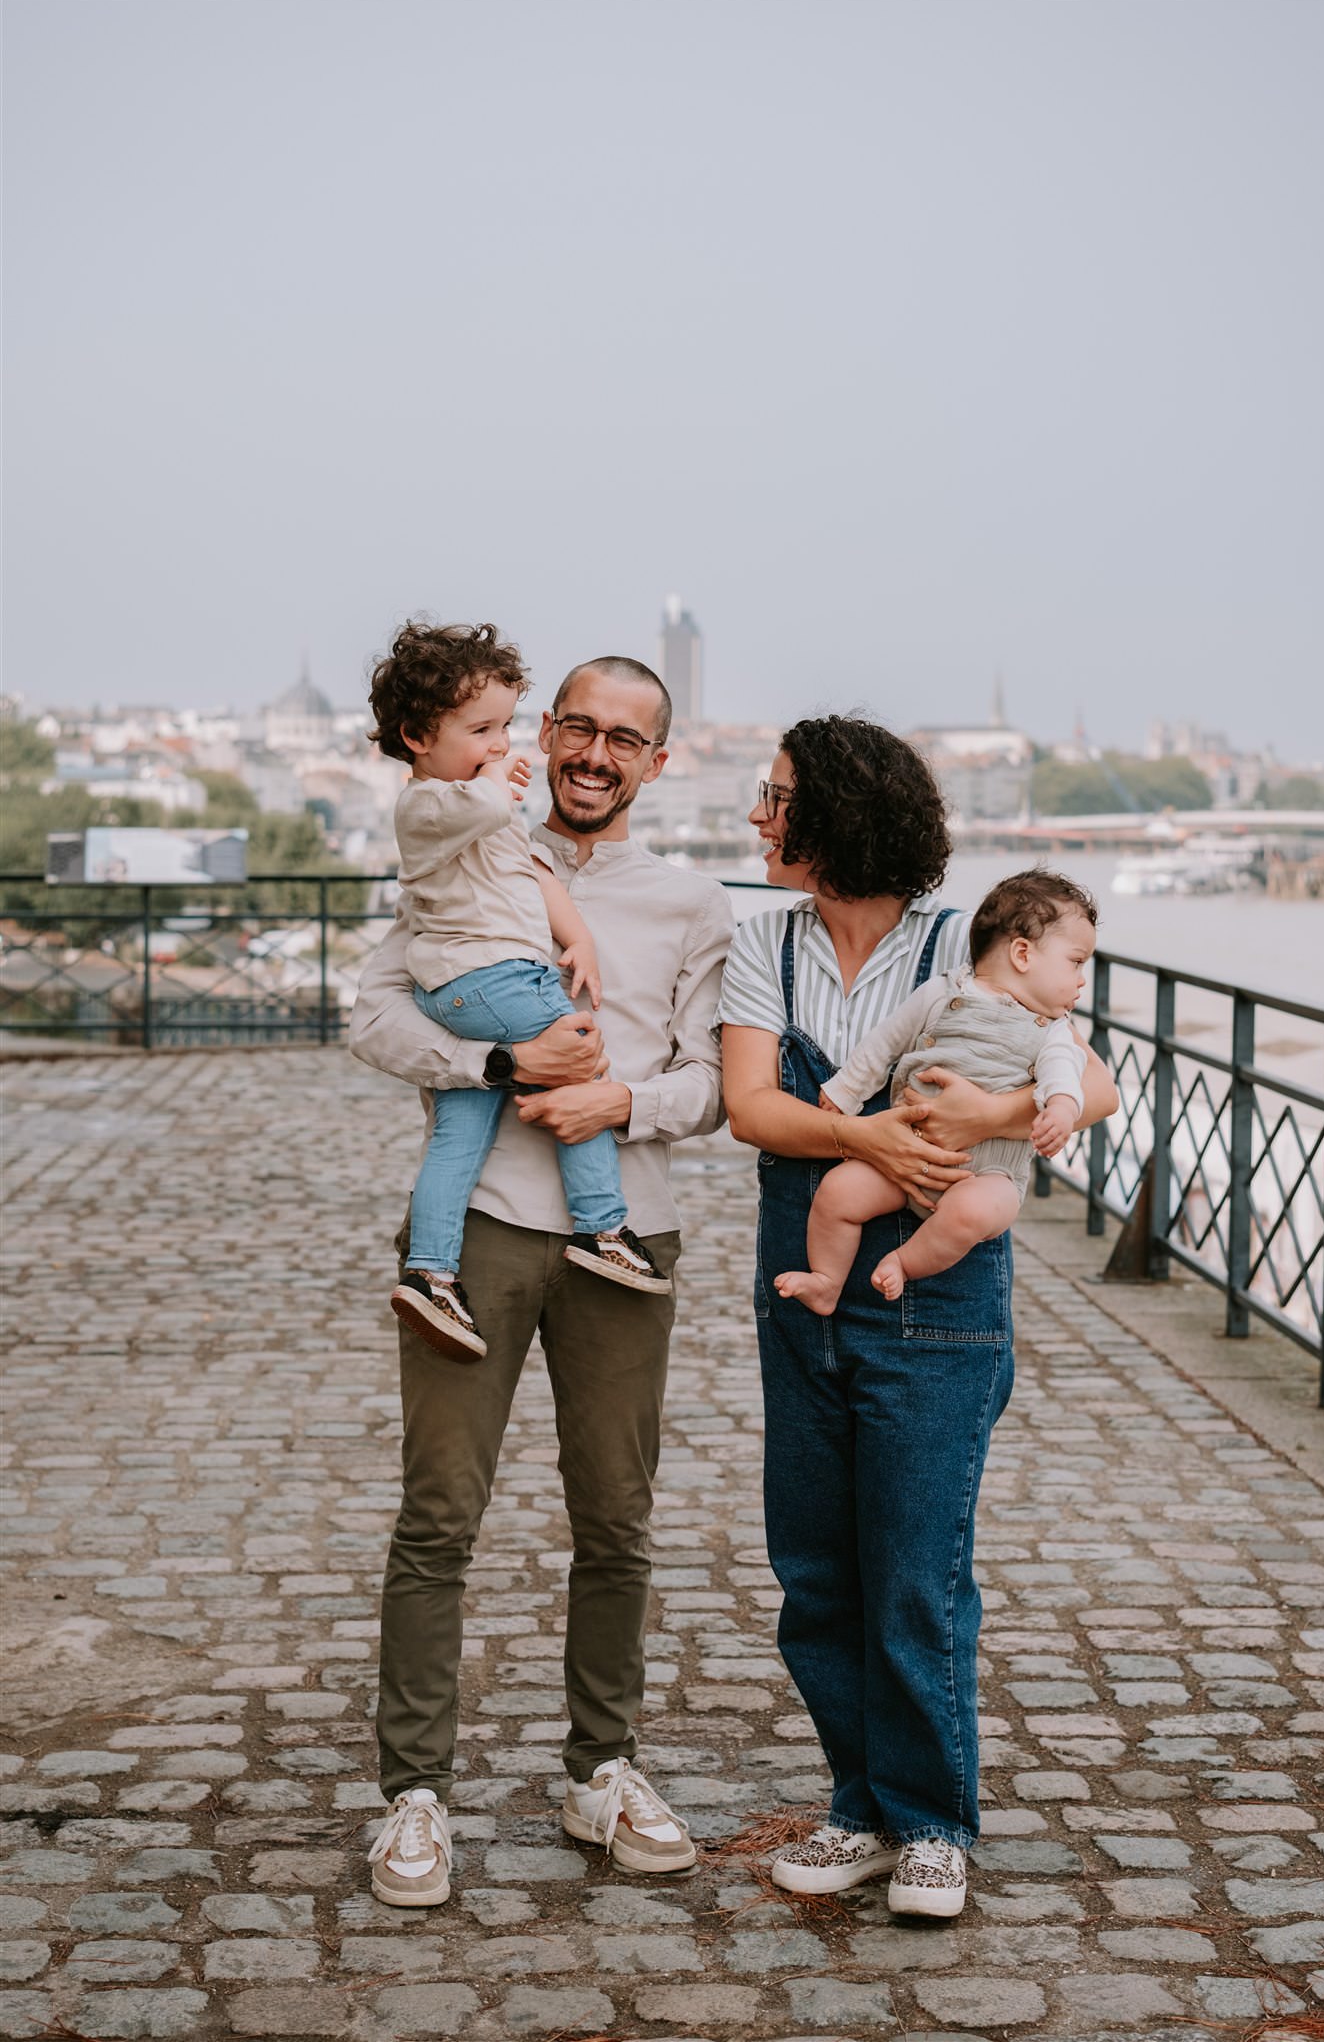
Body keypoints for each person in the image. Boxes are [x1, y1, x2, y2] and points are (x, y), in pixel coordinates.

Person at [349, 652, 733, 1907]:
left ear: (655, 762)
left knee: (616, 1519)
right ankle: (414, 1793)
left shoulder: (691, 901)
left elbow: (712, 1084)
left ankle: (601, 1769)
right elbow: (371, 1017)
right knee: (437, 1517)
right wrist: (495, 1064)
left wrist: (619, 1100)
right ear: (549, 732)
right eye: (579, 726)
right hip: (481, 1231)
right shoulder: (472, 849)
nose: (595, 753)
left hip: (629, 1239)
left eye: (625, 738)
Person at [719, 717, 1116, 1919]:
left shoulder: (964, 942)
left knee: (914, 1568)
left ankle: (934, 1821)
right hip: (809, 1265)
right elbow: (751, 1107)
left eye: (778, 797)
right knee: (815, 1567)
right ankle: (863, 1804)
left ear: (842, 812)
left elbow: (1092, 1080)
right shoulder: (764, 942)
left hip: (940, 1290)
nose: (759, 817)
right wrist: (874, 1137)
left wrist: (987, 1111)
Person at [369, 621, 670, 1362]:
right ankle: (603, 1225)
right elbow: (488, 810)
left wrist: (579, 939)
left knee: (456, 1135)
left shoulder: (686, 903)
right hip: (493, 976)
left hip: (471, 989)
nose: (499, 746)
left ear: (656, 761)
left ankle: (430, 1272)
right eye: (483, 730)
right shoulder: (429, 805)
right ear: (417, 737)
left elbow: (533, 874)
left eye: (503, 728)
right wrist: (498, 777)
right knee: (578, 1057)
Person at [775, 869, 1096, 1314]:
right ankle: (826, 1280)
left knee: (971, 1213)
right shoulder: (942, 993)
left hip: (987, 1175)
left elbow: (1065, 1071)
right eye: (1076, 962)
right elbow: (885, 1042)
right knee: (838, 1191)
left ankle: (905, 1263)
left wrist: (1060, 1107)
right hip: (905, 1155)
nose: (1082, 980)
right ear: (1022, 954)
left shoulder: (1052, 1028)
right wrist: (847, 1090)